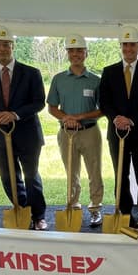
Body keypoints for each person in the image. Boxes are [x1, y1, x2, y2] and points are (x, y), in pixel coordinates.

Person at [0, 26, 48, 230]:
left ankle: (38, 215)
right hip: (1, 133)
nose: (1, 49)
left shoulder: (31, 72)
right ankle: (22, 210)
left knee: (31, 176)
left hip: (28, 134)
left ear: (13, 46)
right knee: (8, 176)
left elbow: (38, 102)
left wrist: (15, 114)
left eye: (5, 44)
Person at [98, 26, 138, 223]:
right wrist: (116, 118)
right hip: (117, 131)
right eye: (125, 45)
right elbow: (104, 101)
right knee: (121, 172)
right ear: (121, 47)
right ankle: (124, 208)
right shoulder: (109, 72)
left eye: (132, 45)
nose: (128, 49)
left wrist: (131, 120)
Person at [46, 34, 104, 227]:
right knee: (71, 172)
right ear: (67, 53)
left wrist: (79, 117)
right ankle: (73, 206)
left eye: (79, 50)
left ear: (86, 53)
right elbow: (52, 107)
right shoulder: (59, 79)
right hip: (66, 133)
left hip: (89, 131)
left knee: (94, 171)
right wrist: (66, 118)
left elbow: (102, 109)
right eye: (71, 51)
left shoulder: (95, 80)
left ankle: (95, 208)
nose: (75, 54)